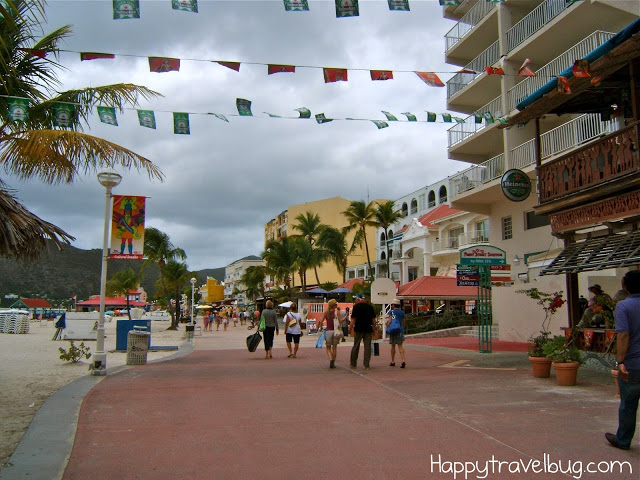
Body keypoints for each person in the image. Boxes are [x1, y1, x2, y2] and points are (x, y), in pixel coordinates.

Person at [606, 270, 640, 451]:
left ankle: (623, 439)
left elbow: (623, 335)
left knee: (629, 403)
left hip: (633, 364)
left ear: (624, 286)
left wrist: (620, 361)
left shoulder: (624, 306)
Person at [349, 293, 376, 370]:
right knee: (367, 347)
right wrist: (374, 328)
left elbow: (353, 319)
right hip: (368, 328)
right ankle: (366, 365)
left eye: (355, 299)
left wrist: (350, 328)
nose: (355, 300)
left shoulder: (356, 307)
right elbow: (373, 319)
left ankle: (353, 364)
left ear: (358, 299)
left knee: (356, 346)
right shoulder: (370, 307)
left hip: (359, 328)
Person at [386, 298, 406, 368]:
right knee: (400, 346)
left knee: (393, 346)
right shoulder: (402, 312)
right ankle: (403, 360)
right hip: (400, 330)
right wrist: (403, 328)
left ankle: (393, 361)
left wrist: (387, 327)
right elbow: (403, 322)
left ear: (394, 305)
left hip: (393, 330)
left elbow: (390, 321)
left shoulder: (391, 312)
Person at [321, 299, 342, 368]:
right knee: (334, 347)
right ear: (334, 305)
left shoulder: (326, 313)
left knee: (328, 347)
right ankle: (333, 360)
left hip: (328, 331)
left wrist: (320, 328)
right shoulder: (337, 312)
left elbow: (321, 321)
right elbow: (340, 321)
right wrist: (345, 316)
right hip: (335, 331)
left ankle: (330, 359)